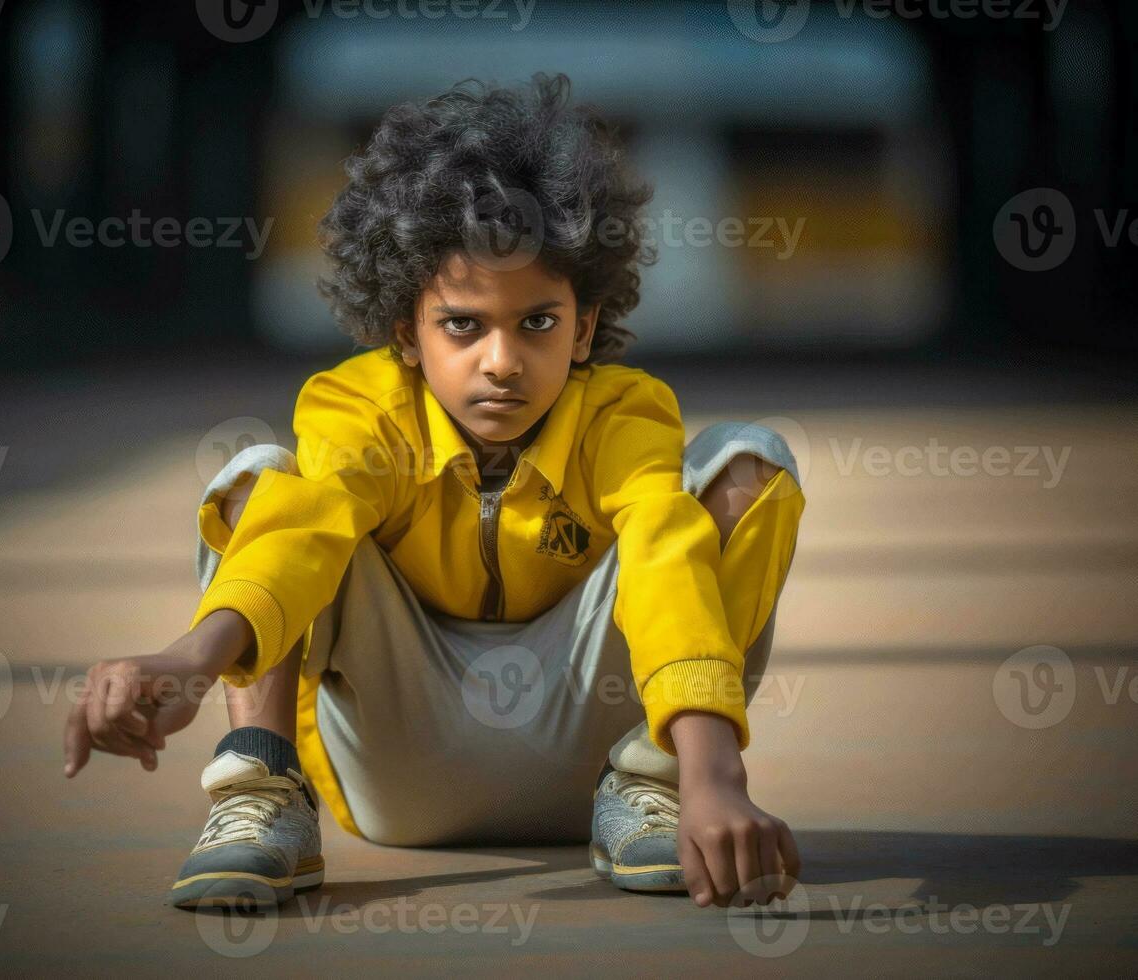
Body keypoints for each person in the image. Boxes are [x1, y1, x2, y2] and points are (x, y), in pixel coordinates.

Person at [62, 73, 806, 913]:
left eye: (538, 322)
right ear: (402, 330)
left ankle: (662, 783)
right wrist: (192, 660)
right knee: (263, 481)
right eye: (462, 324)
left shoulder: (622, 416)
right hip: (399, 767)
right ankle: (259, 794)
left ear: (585, 325)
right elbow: (299, 534)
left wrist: (713, 774)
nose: (501, 360)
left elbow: (668, 558)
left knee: (750, 463)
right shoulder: (361, 410)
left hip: (610, 771)